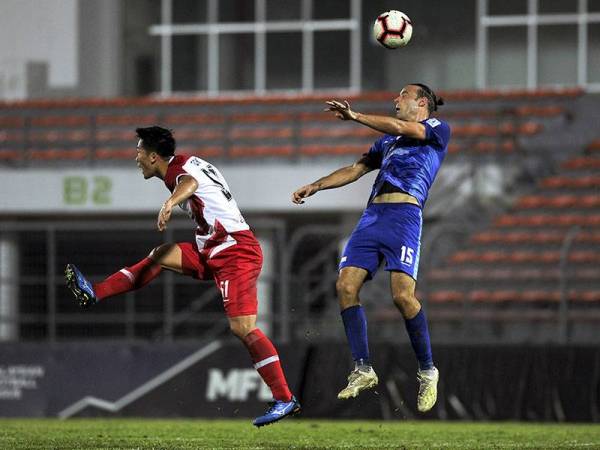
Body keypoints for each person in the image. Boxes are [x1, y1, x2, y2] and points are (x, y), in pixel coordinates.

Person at [65, 126, 300, 427]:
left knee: (243, 328)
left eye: (138, 152)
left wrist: (170, 203)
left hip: (235, 251)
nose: (136, 158)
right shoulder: (187, 162)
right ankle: (95, 292)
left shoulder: (179, 171)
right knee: (161, 255)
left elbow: (188, 183)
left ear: (153, 156)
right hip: (213, 249)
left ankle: (284, 398)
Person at [291, 83, 450, 413]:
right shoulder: (387, 142)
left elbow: (401, 126)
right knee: (345, 286)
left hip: (404, 216)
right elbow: (355, 169)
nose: (395, 99)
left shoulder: (436, 128)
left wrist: (356, 116)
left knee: (402, 296)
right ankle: (363, 368)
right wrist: (316, 186)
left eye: (402, 95)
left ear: (421, 102)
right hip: (372, 216)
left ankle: (427, 370)